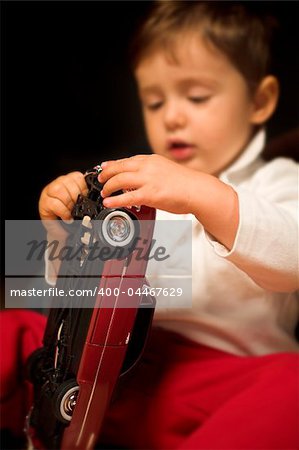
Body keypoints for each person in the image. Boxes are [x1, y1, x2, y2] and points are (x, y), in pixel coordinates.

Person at [5, 1, 299, 449]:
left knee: (292, 387)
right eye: (154, 101)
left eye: (197, 97)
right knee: (13, 328)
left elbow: (291, 259)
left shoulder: (275, 180)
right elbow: (83, 300)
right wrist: (64, 238)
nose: (172, 116)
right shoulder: (140, 184)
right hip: (111, 374)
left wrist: (202, 194)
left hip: (214, 385)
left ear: (259, 101)